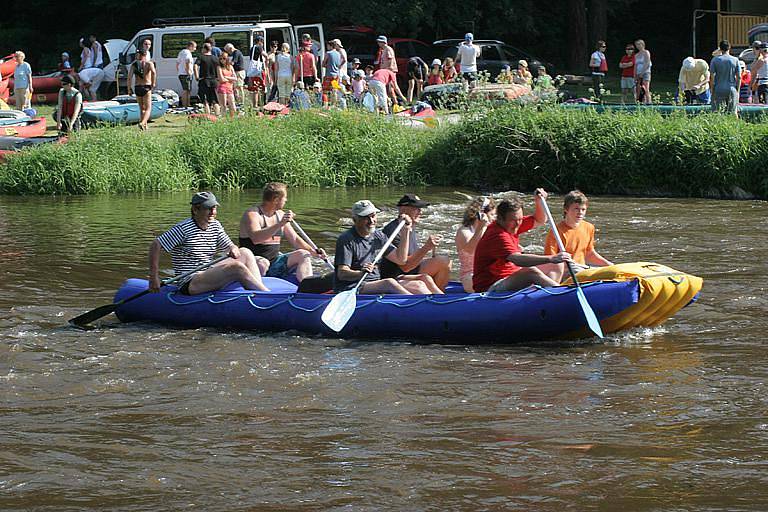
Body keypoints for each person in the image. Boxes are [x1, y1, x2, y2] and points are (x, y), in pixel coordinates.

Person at [150, 192, 268, 295]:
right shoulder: (183, 229)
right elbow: (156, 244)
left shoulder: (215, 225)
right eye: (208, 208)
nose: (213, 212)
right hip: (190, 281)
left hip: (207, 271)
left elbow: (229, 245)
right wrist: (154, 276)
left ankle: (258, 289)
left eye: (215, 208)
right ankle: (266, 295)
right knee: (236, 268)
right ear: (196, 210)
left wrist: (233, 248)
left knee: (245, 252)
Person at [473, 190, 570, 293]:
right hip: (490, 286)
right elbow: (517, 259)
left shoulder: (512, 224)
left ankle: (547, 296)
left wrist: (539, 201)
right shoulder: (497, 235)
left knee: (557, 264)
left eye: (520, 219)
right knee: (531, 272)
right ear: (500, 219)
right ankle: (561, 293)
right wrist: (551, 258)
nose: (518, 224)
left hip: (510, 276)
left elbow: (539, 220)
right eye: (514, 220)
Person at [238, 183, 327, 283]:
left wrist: (314, 251)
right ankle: (258, 290)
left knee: (303, 254)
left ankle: (307, 286)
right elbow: (256, 239)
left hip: (274, 262)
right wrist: (280, 224)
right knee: (263, 264)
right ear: (276, 199)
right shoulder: (252, 214)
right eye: (285, 198)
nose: (286, 200)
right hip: (253, 263)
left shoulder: (280, 215)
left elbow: (295, 239)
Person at [333, 200, 417, 295]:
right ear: (355, 220)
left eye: (373, 216)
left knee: (419, 284)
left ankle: (434, 303)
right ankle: (416, 306)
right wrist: (360, 273)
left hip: (374, 283)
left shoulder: (378, 236)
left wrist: (405, 230)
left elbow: (400, 259)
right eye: (366, 218)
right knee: (389, 283)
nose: (371, 221)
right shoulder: (346, 239)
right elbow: (342, 273)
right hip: (352, 286)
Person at [379, 194, 451, 292]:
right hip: (397, 276)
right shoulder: (394, 230)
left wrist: (430, 249)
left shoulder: (410, 225)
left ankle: (438, 296)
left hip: (411, 270)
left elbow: (413, 257)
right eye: (417, 208)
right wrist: (426, 247)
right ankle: (433, 299)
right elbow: (405, 267)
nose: (420, 212)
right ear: (403, 209)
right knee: (425, 278)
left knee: (444, 261)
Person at [543, 190, 613, 271]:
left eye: (583, 209)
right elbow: (550, 261)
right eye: (576, 209)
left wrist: (609, 265)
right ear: (566, 209)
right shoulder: (556, 231)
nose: (580, 213)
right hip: (565, 271)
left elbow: (589, 254)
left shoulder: (589, 227)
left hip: (582, 269)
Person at [455, 196, 496, 293]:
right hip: (470, 276)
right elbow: (470, 249)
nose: (495, 218)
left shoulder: (490, 229)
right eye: (493, 214)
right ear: (481, 215)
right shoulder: (464, 231)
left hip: (489, 272)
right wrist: (480, 227)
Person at [126, 48, 156, 131]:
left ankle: (144, 126)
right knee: (148, 108)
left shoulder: (134, 64)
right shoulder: (149, 63)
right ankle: (142, 123)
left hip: (137, 87)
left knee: (141, 108)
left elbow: (129, 78)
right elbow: (153, 72)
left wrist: (129, 89)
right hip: (146, 86)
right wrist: (153, 83)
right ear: (145, 55)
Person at [710, 40, 741, 116]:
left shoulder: (715, 60)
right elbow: (739, 77)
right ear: (729, 48)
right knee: (733, 112)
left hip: (718, 88)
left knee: (717, 112)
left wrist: (712, 88)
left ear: (720, 49)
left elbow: (711, 76)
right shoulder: (735, 60)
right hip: (731, 88)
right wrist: (737, 90)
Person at [194, 42, 220, 116]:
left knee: (205, 100)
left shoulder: (201, 57)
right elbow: (219, 68)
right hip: (214, 81)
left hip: (204, 80)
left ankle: (208, 116)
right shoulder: (215, 58)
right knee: (215, 100)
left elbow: (195, 66)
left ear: (204, 49)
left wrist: (196, 77)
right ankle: (217, 116)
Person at [246, 35, 269, 108]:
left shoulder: (252, 48)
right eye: (262, 41)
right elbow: (265, 55)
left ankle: (254, 104)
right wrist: (267, 62)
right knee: (261, 87)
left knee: (254, 88)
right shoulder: (259, 47)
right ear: (259, 41)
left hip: (253, 71)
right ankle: (261, 103)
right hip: (258, 70)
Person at [321, 40, 345, 107]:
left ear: (330, 46)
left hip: (329, 75)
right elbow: (342, 61)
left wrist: (326, 65)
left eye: (327, 46)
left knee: (325, 91)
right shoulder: (338, 54)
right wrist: (339, 66)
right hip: (336, 75)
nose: (327, 47)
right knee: (334, 90)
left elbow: (323, 64)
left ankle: (325, 105)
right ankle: (333, 105)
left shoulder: (328, 53)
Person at [216, 51, 237, 118]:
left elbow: (235, 78)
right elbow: (221, 79)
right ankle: (224, 119)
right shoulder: (219, 67)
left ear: (227, 59)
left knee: (233, 105)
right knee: (223, 105)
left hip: (230, 88)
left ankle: (232, 119)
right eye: (221, 59)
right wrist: (230, 79)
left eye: (224, 58)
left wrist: (226, 77)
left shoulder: (230, 67)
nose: (222, 60)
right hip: (222, 88)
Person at [176, 40, 196, 108]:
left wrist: (179, 71)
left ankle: (187, 104)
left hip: (181, 73)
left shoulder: (181, 52)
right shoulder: (187, 53)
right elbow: (187, 62)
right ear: (190, 46)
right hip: (186, 74)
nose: (195, 49)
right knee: (186, 90)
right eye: (194, 47)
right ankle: (186, 105)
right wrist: (188, 72)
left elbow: (177, 63)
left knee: (187, 89)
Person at [634, 39, 652, 104]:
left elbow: (647, 63)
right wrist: (635, 75)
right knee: (638, 89)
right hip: (638, 73)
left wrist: (642, 72)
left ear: (643, 44)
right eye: (637, 45)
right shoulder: (636, 55)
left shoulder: (646, 52)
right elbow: (635, 66)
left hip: (646, 72)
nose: (638, 46)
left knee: (645, 88)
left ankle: (649, 102)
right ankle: (640, 102)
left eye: (639, 44)